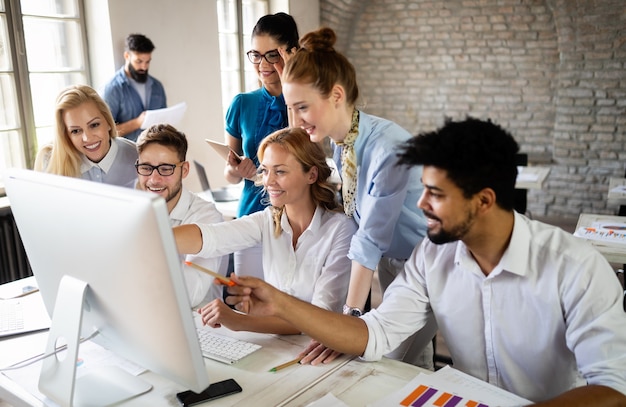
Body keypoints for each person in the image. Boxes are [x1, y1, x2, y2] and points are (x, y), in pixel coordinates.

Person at [223, 117, 626, 405]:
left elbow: (614, 389)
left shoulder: (577, 267)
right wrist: (280, 302)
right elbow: (374, 334)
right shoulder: (433, 256)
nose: (420, 204)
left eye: (435, 194)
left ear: (484, 200)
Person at [279, 27, 435, 368]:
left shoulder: (387, 148)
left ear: (336, 95)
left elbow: (370, 238)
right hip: (394, 259)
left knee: (387, 359)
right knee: (413, 360)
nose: (297, 120)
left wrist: (349, 321)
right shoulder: (343, 143)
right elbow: (357, 216)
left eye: (303, 107)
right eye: (291, 107)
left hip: (430, 262)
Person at [174, 127, 356, 335]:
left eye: (280, 171)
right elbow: (212, 236)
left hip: (317, 348)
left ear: (312, 175)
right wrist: (154, 238)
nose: (268, 181)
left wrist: (239, 320)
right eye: (265, 170)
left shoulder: (340, 229)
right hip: (276, 342)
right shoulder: (268, 220)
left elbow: (318, 317)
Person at [223, 13, 299, 280]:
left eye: (271, 55)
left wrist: (292, 84)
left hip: (295, 217)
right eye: (255, 55)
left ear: (290, 53)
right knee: (249, 301)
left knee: (289, 303)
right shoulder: (241, 103)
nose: (262, 64)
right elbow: (228, 173)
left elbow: (301, 147)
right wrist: (238, 170)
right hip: (250, 213)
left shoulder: (304, 101)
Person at [135, 124, 227, 308]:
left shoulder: (207, 217)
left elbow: (189, 294)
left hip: (199, 324)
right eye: (146, 167)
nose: (154, 179)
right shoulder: (133, 210)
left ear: (184, 170)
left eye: (166, 168)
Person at [34, 84, 137, 188]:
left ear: (108, 123)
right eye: (76, 131)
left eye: (94, 125)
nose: (87, 138)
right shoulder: (51, 162)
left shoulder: (137, 156)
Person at [102, 33, 166, 142]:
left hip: (155, 154)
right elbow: (105, 133)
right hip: (127, 155)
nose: (144, 67)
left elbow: (164, 122)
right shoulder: (113, 88)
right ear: (127, 56)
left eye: (147, 62)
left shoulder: (157, 86)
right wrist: (136, 123)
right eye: (139, 61)